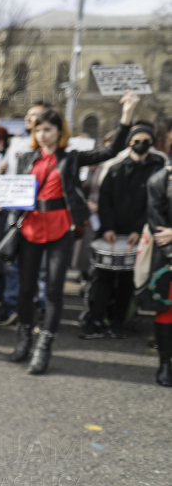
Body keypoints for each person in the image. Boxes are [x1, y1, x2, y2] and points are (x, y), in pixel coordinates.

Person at [8, 92, 139, 374]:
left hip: (59, 230)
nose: (42, 135)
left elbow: (110, 151)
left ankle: (44, 348)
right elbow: (16, 191)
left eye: (48, 129)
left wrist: (126, 116)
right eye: (38, 129)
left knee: (54, 292)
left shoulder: (71, 157)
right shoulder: (26, 158)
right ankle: (24, 340)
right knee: (26, 289)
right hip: (29, 228)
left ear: (59, 131)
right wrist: (3, 203)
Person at [81, 122, 164, 339]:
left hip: (138, 232)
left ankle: (119, 321)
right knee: (103, 278)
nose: (141, 145)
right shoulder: (116, 168)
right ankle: (96, 318)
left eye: (146, 141)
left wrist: (139, 229)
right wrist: (108, 228)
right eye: (137, 141)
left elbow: (154, 203)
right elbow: (105, 200)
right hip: (112, 232)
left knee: (128, 280)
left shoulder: (157, 167)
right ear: (129, 143)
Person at [146, 156, 172, 387]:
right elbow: (159, 227)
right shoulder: (159, 180)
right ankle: (165, 363)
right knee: (167, 308)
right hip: (169, 256)